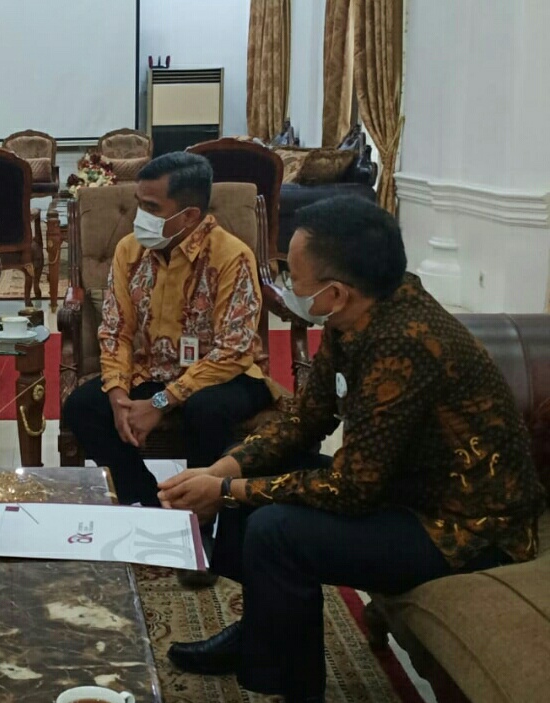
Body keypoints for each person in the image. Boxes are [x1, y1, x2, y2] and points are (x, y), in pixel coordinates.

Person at [160, 196, 546, 702]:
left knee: (276, 530)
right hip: (407, 489)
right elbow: (306, 418)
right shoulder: (361, 313)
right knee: (253, 466)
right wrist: (222, 469)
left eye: (293, 279)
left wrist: (228, 491)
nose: (286, 289)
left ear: (336, 293)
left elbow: (352, 489)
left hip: (464, 529)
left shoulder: (403, 344)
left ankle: (298, 691)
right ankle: (260, 630)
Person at [63, 152, 278, 507]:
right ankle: (152, 503)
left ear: (189, 215)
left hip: (226, 377)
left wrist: (160, 403)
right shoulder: (129, 250)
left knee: (205, 410)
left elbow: (232, 351)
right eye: (138, 204)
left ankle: (202, 506)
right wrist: (118, 395)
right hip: (153, 370)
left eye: (151, 208)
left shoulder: (232, 256)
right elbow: (115, 330)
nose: (139, 217)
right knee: (83, 406)